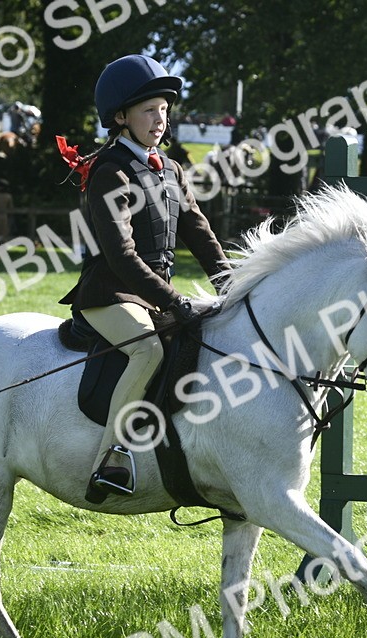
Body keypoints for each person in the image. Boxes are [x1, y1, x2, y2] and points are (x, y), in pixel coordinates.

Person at [56, 54, 228, 502]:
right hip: (110, 291)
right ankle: (110, 459)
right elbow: (121, 254)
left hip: (151, 293)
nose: (160, 120)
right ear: (121, 117)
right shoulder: (109, 171)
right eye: (150, 110)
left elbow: (199, 232)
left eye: (164, 110)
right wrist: (174, 299)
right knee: (147, 349)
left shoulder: (169, 169)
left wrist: (230, 284)